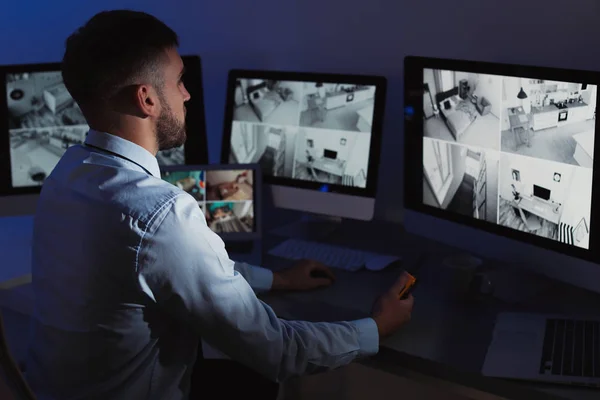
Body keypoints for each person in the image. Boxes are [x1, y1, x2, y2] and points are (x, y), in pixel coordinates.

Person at [24, 10, 414, 400]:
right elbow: (276, 349)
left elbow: (175, 266)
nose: (187, 94)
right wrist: (375, 328)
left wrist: (279, 280)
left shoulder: (68, 174)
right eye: (179, 82)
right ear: (147, 98)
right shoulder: (162, 214)